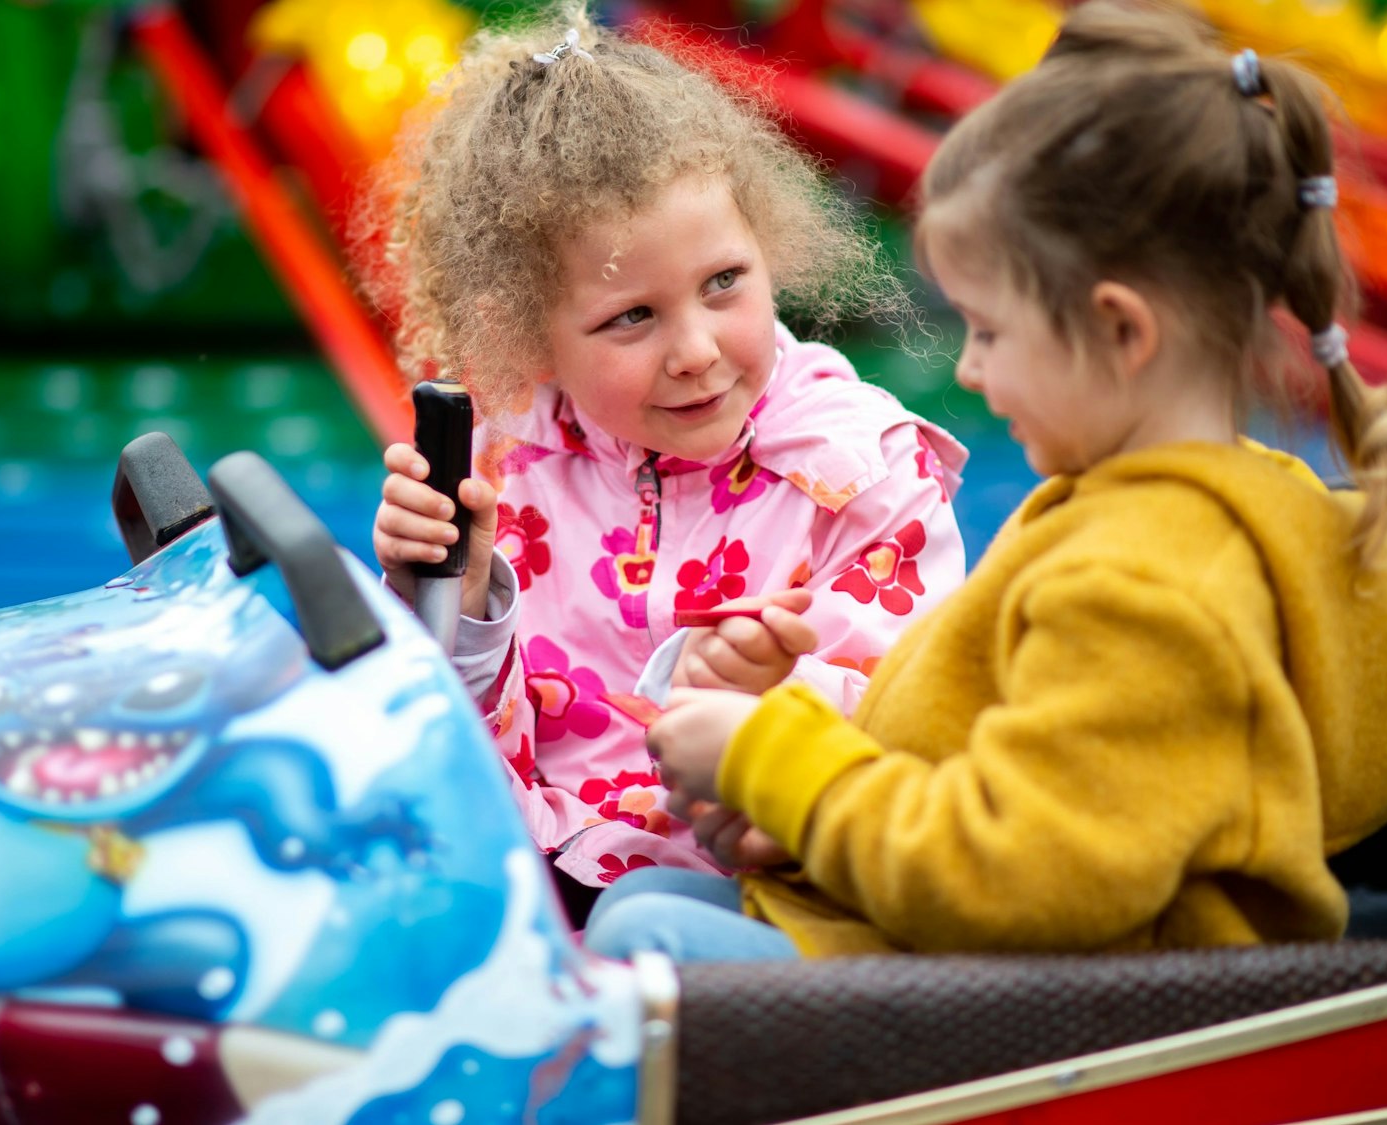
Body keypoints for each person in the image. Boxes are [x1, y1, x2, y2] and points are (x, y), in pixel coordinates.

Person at [590, 0, 1387, 961]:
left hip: (1066, 1017)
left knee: (641, 947)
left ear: (1121, 332)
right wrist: (795, 814)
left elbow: (1024, 875)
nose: (969, 371)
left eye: (993, 332)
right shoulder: (1181, 509)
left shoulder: (1144, 586)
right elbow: (1010, 764)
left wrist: (773, 761)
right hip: (979, 953)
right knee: (646, 905)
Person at [361, 6, 969, 915]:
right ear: (530, 335)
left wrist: (776, 687)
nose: (694, 350)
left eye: (724, 283)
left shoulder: (855, 468)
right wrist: (462, 598)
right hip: (535, 868)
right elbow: (451, 750)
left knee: (636, 920)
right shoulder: (506, 458)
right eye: (631, 318)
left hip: (764, 889)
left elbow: (925, 731)